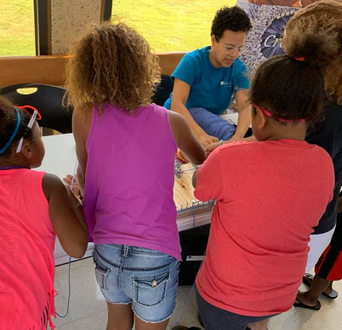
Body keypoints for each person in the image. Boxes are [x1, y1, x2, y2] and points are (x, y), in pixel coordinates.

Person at [64, 23, 206, 330]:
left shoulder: (83, 115)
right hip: (156, 251)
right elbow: (205, 167)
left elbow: (86, 176)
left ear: (87, 73)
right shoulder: (172, 121)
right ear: (141, 68)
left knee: (116, 323)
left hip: (106, 245)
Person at [192, 54, 334, 330]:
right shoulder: (323, 162)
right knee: (258, 319)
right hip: (282, 290)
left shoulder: (229, 158)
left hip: (225, 297)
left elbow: (199, 185)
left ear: (259, 115)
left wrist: (217, 156)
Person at [0, 82, 88, 330]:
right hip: (20, 313)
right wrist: (74, 200)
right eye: (40, 135)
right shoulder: (49, 185)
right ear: (28, 149)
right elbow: (77, 248)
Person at [282, 1, 342, 309]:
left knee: (274, 290)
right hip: (312, 220)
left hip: (305, 225)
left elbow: (303, 179)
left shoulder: (332, 115)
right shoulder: (339, 94)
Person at [163, 6, 252, 147]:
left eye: (239, 48)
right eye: (229, 47)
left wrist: (236, 139)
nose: (234, 54)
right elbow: (177, 104)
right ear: (213, 40)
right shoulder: (192, 61)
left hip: (207, 123)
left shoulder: (239, 69)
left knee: (232, 139)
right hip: (176, 121)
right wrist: (200, 135)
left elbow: (245, 107)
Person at [297, 152, 342, 310]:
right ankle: (327, 287)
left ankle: (310, 297)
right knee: (330, 265)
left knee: (327, 268)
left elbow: (340, 206)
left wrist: (318, 202)